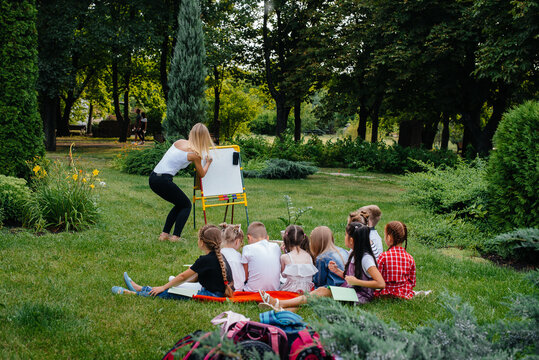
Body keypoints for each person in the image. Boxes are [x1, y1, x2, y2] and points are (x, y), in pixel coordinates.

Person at [259, 222, 385, 311]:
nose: (344, 238)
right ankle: (283, 308)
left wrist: (356, 281)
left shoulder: (366, 259)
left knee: (320, 292)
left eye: (346, 235)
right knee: (317, 295)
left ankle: (280, 303)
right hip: (351, 290)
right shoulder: (353, 253)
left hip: (359, 295)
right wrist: (338, 271)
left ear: (351, 240)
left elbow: (380, 283)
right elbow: (351, 277)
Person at [111, 224, 233, 299]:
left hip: (209, 295)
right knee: (175, 290)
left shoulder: (205, 260)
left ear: (201, 242)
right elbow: (195, 278)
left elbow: (182, 276)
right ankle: (140, 288)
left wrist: (164, 287)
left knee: (169, 294)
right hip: (215, 293)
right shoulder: (219, 257)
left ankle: (132, 293)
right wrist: (176, 286)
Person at [150, 123, 214, 242]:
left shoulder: (179, 142)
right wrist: (209, 162)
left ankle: (164, 235)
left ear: (191, 133)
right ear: (204, 138)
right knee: (186, 205)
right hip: (163, 180)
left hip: (153, 178)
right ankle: (175, 237)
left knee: (180, 204)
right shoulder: (195, 155)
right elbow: (202, 174)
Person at [375, 221, 416, 299]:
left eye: (385, 235)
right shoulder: (410, 258)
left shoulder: (383, 257)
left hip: (385, 294)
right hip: (404, 294)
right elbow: (412, 282)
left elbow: (377, 279)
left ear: (389, 238)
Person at [241, 221, 281, 292]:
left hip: (252, 290)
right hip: (275, 289)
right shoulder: (276, 246)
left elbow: (245, 276)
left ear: (249, 237)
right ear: (267, 238)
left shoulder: (247, 248)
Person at [279, 225, 318, 294]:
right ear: (303, 238)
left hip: (290, 290)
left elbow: (283, 275)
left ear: (286, 239)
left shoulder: (284, 257)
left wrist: (285, 253)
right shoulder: (308, 255)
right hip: (306, 290)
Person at [220, 223, 246, 292]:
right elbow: (241, 277)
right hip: (235, 289)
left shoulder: (218, 253)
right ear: (237, 241)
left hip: (220, 288)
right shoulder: (238, 256)